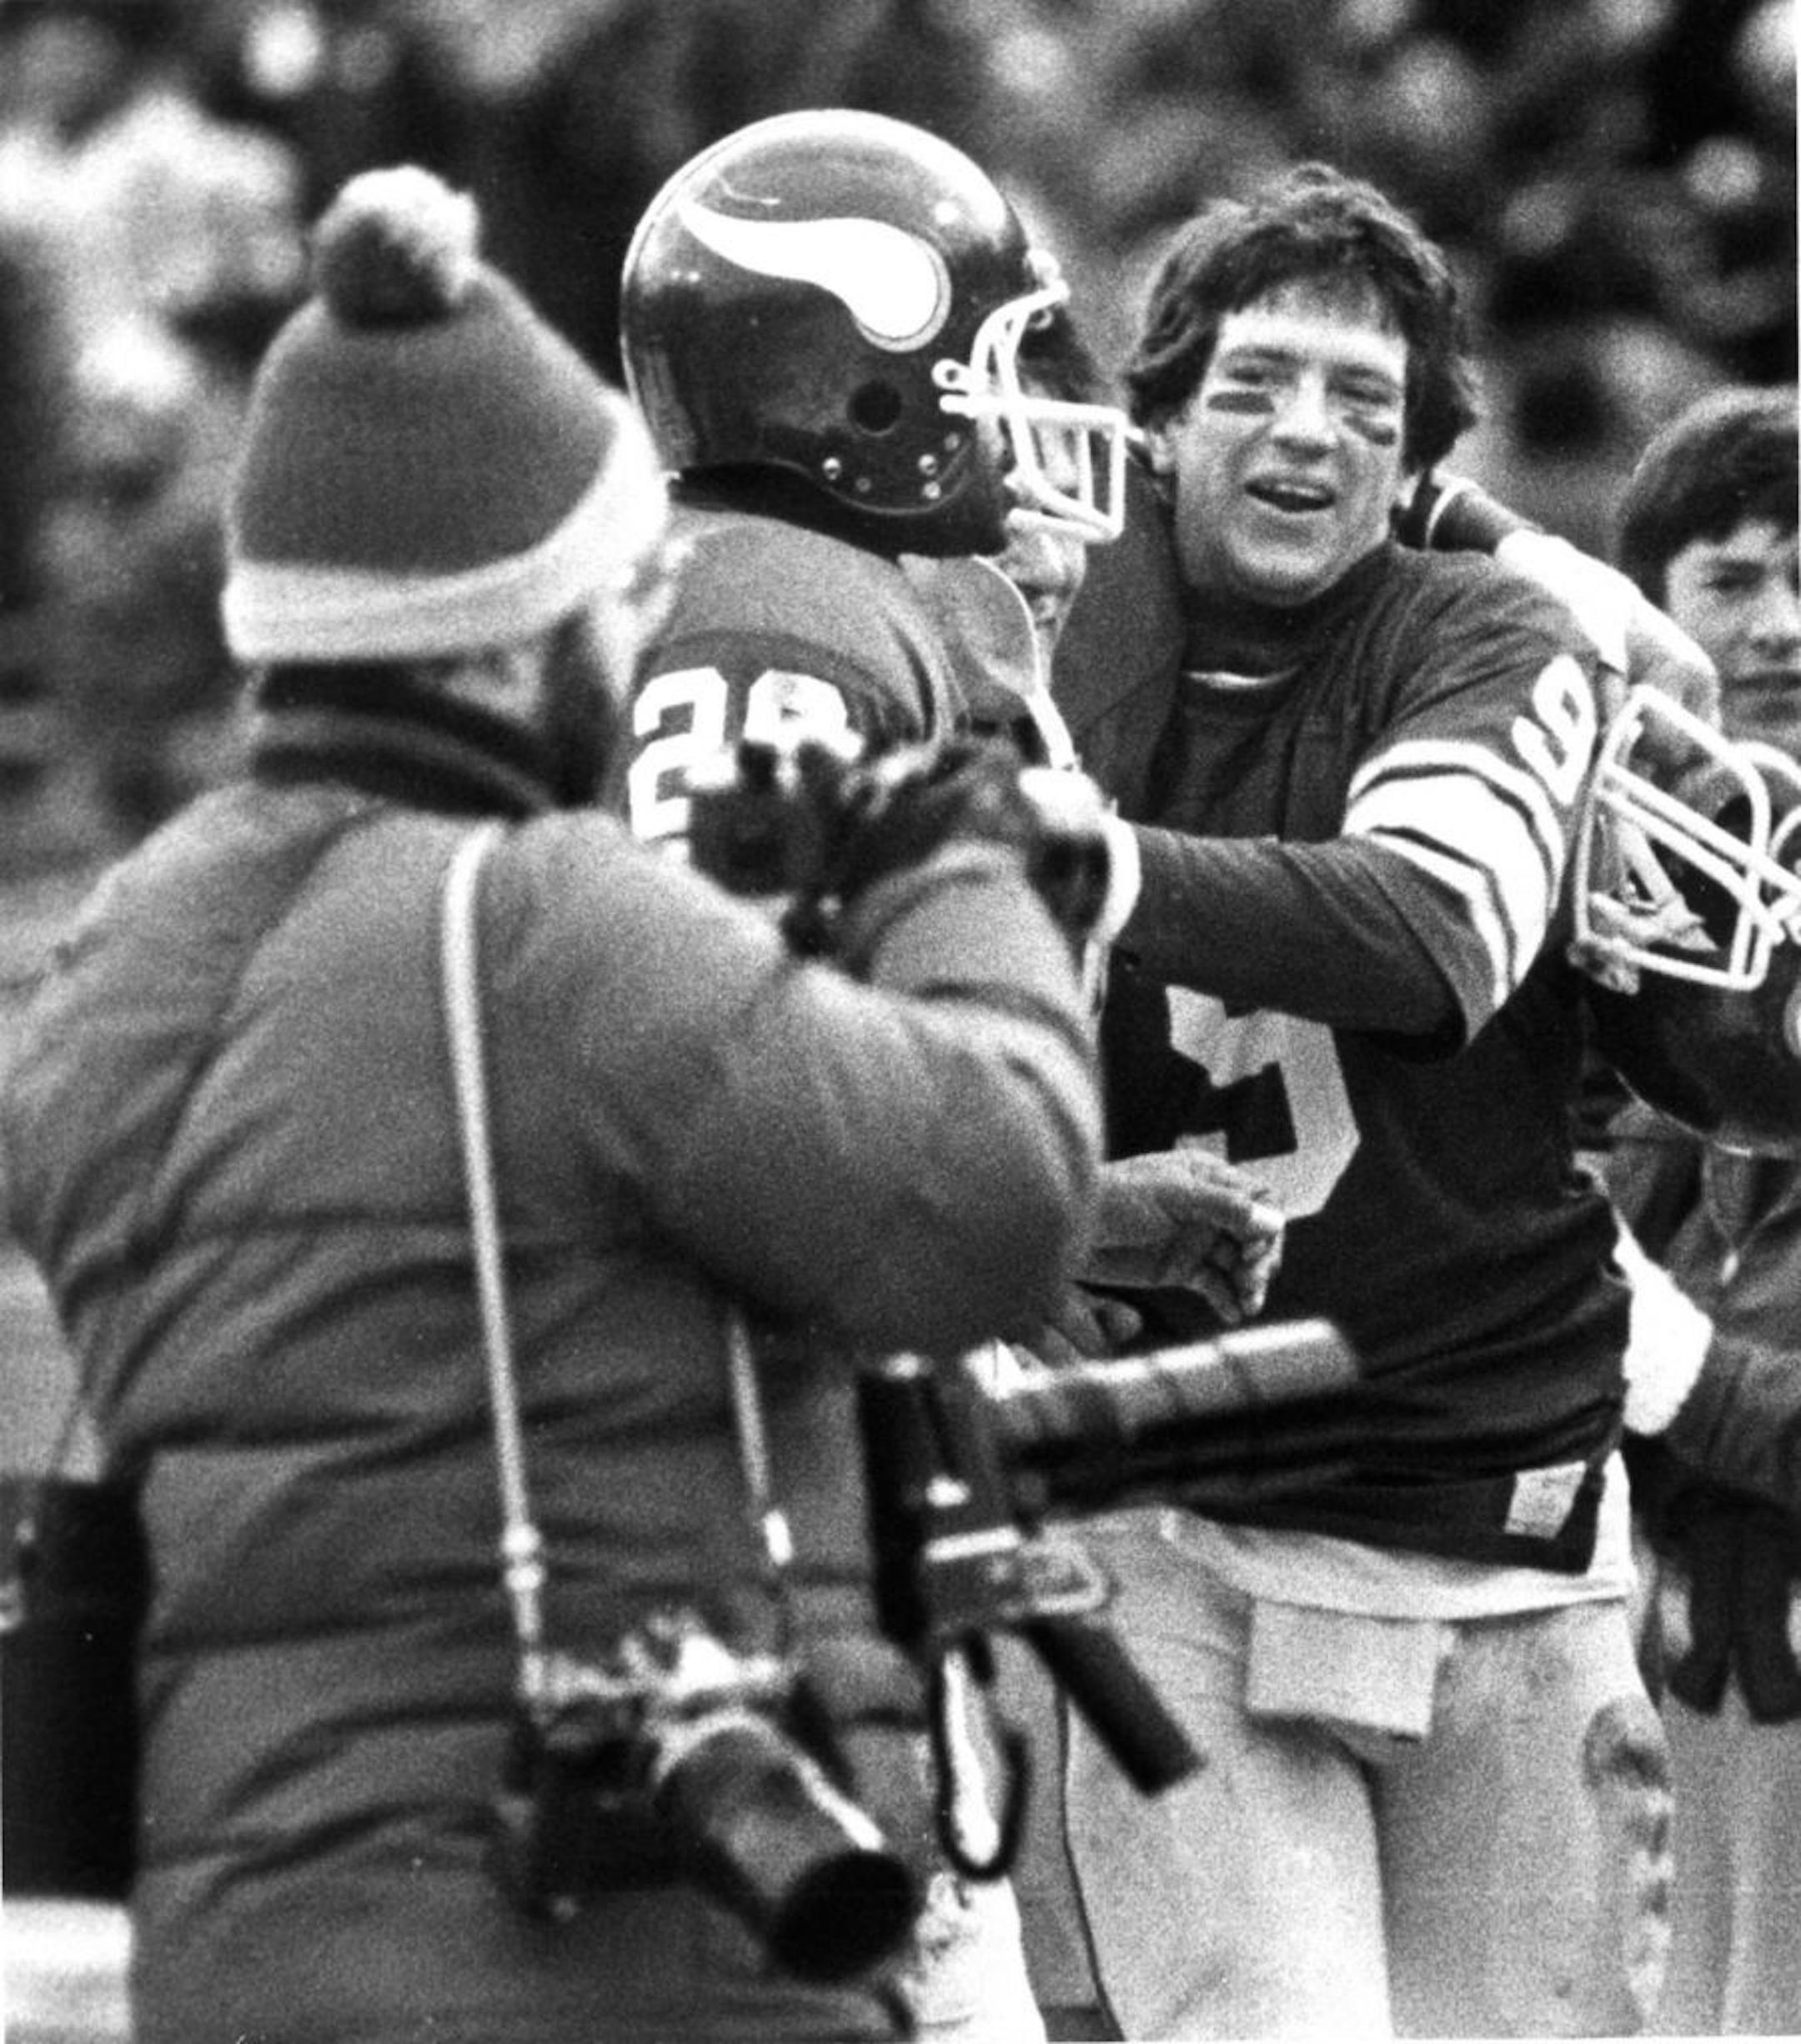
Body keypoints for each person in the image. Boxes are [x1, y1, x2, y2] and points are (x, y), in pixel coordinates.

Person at [0, 162, 1115, 2044]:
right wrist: (959, 873)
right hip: (611, 1946)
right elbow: (989, 1203)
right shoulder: (546, 922)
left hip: (243, 1946)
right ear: (503, 631)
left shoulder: (118, 953)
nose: (644, 629)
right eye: (620, 590)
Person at [610, 110, 1287, 2041]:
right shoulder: (775, 615)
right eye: (996, 358)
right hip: (752, 1461)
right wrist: (1049, 1205)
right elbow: (705, 1069)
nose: (1033, 409)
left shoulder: (819, 596)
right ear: (863, 368)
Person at [1043, 161, 1674, 2040]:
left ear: (1417, 469)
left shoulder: (1492, 628)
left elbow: (1435, 930)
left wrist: (1085, 861)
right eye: (1250, 382)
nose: (1305, 430)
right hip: (1187, 1517)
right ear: (1154, 423)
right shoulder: (1043, 628)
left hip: (1500, 1500)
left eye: (1363, 400)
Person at [1589, 383, 1801, 2037]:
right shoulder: (1611, 900)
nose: (1783, 624)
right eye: (1729, 581)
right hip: (1690, 1611)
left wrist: (1685, 1373)